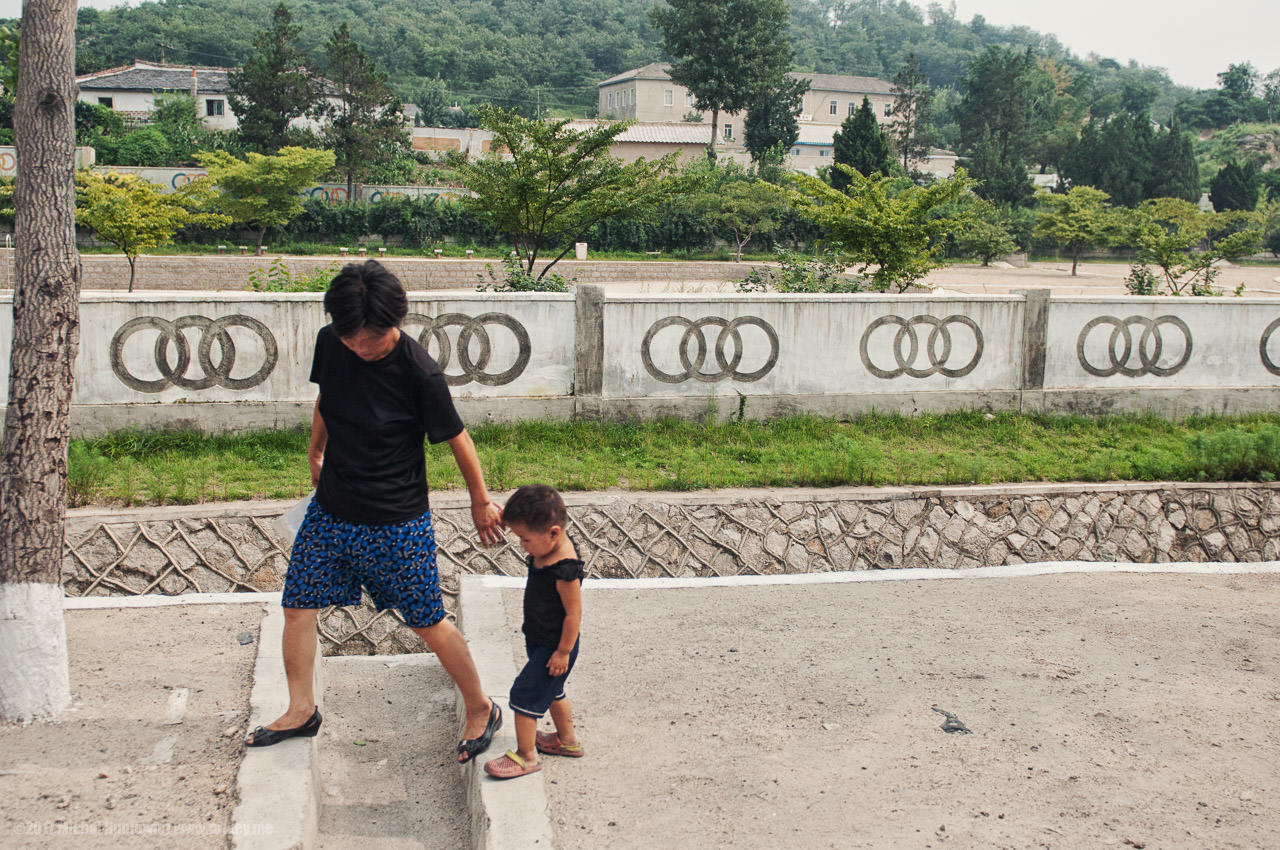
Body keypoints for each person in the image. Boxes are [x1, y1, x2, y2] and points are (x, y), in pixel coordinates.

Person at [245, 260, 505, 765]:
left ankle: (481, 707)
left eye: (371, 339)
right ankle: (301, 709)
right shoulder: (331, 341)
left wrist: (479, 501)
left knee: (427, 620)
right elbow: (327, 397)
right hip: (331, 509)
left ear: (396, 323)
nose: (361, 348)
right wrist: (315, 451)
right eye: (352, 339)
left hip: (396, 520)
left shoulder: (419, 371)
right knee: (297, 605)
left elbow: (457, 437)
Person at [484, 484, 585, 779]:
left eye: (525, 539)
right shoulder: (547, 540)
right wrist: (505, 517)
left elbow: (573, 613)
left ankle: (526, 756)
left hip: (554, 646)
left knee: (525, 695)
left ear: (553, 533)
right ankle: (567, 742)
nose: (522, 544)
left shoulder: (565, 569)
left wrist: (563, 651)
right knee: (553, 691)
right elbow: (527, 519)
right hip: (539, 637)